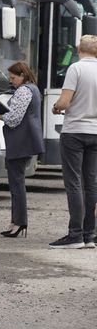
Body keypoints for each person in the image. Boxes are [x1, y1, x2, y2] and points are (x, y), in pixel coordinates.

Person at [50, 34, 97, 249]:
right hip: (96, 132)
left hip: (74, 132)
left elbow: (65, 101)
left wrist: (56, 107)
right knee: (92, 183)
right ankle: (90, 235)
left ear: (79, 49)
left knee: (74, 183)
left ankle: (75, 234)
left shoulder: (75, 69)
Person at [0, 62, 43, 238]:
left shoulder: (23, 91)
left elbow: (14, 119)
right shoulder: (34, 89)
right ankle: (16, 221)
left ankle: (19, 222)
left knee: (16, 184)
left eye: (14, 78)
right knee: (16, 183)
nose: (12, 81)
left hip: (19, 142)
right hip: (25, 142)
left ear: (22, 75)